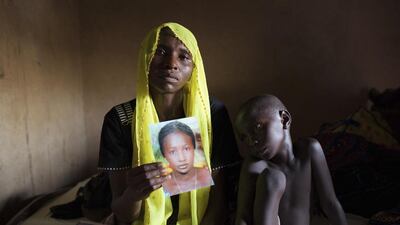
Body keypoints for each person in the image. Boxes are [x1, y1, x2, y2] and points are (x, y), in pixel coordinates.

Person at [98, 22, 241, 225]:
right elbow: (123, 214)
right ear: (145, 58)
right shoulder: (120, 119)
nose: (171, 63)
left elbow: (218, 203)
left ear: (194, 67)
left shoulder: (212, 114)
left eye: (183, 56)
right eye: (160, 51)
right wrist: (134, 194)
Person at [234, 94, 347, 225]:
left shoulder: (309, 150)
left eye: (258, 127)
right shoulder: (255, 166)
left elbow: (330, 203)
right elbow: (243, 217)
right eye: (244, 138)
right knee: (273, 178)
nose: (252, 141)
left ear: (284, 119)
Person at [158, 121, 214, 196]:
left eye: (186, 149)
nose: (181, 158)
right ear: (164, 154)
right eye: (173, 152)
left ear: (194, 148)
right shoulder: (161, 184)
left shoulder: (207, 175)